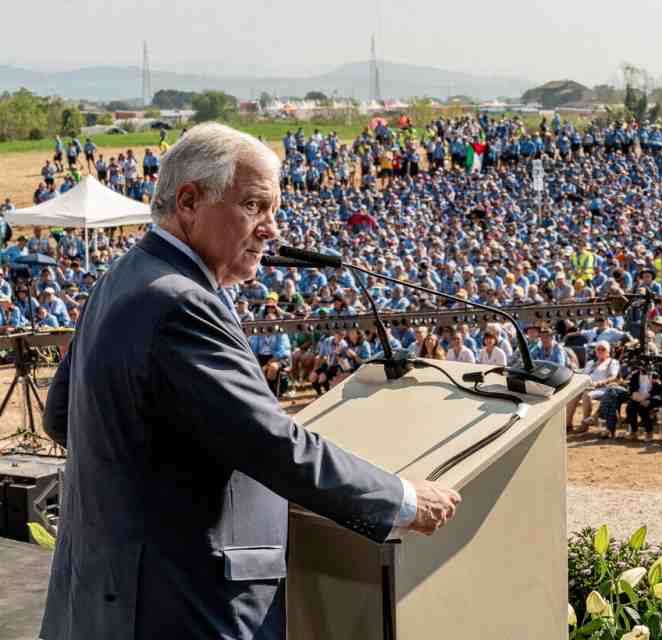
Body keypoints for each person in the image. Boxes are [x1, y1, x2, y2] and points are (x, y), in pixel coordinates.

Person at [39, 123, 460, 640]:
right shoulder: (181, 301)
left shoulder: (122, 277)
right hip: (181, 606)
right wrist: (405, 500)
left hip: (109, 596)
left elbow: (61, 417)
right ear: (189, 201)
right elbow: (270, 445)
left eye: (274, 210)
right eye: (255, 206)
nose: (271, 228)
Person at [567, 340, 620, 433]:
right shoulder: (590, 363)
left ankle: (585, 424)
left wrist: (599, 383)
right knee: (573, 395)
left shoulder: (612, 362)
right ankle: (568, 424)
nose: (600, 351)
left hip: (603, 388)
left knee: (587, 395)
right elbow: (583, 375)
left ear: (608, 352)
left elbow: (613, 377)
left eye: (603, 349)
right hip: (587, 387)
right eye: (598, 349)